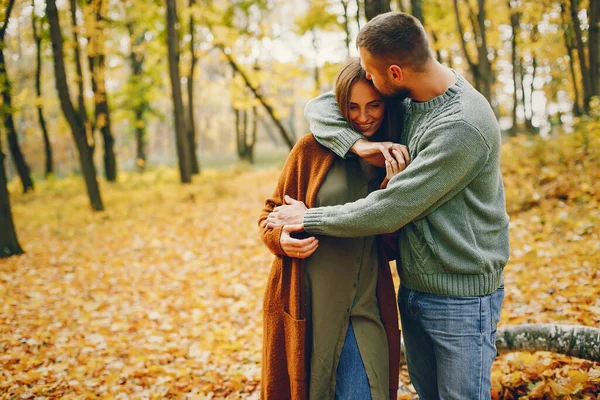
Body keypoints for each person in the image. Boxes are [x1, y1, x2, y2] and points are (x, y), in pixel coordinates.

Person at [266, 12, 510, 400]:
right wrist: (358, 145)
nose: (365, 111)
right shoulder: (410, 103)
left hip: (461, 298)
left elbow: (390, 208)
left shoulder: (462, 126)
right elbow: (321, 106)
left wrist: (307, 217)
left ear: (394, 74)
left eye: (371, 72)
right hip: (414, 289)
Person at [258, 58, 407, 400]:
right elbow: (270, 214)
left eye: (374, 105)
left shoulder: (395, 156)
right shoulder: (311, 149)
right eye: (352, 107)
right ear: (339, 107)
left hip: (364, 304)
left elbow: (392, 246)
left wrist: (392, 192)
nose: (364, 116)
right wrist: (280, 240)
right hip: (306, 301)